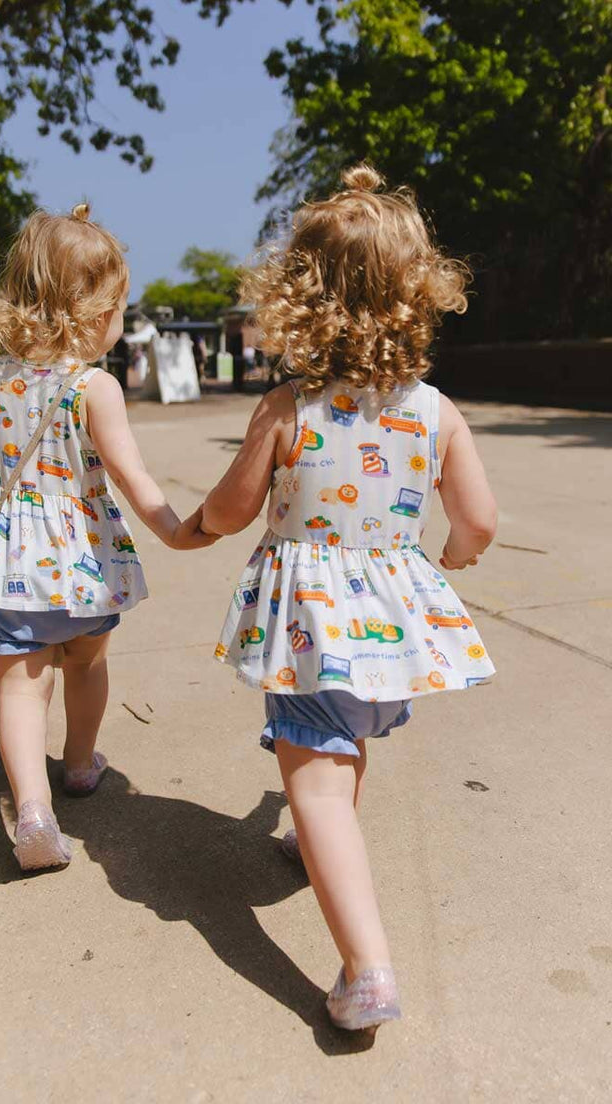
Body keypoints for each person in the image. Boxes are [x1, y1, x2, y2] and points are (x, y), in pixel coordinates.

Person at [200, 164, 496, 1032]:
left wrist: (198, 525)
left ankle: (367, 969)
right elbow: (478, 518)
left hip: (310, 629)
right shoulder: (435, 410)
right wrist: (453, 553)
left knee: (317, 784)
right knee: (342, 750)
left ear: (300, 299)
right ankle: (310, 843)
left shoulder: (288, 406)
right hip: (391, 628)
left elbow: (229, 507)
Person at [0, 202, 214, 872]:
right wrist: (175, 530)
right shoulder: (93, 386)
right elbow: (132, 477)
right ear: (95, 313)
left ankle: (32, 811)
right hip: (85, 566)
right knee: (87, 663)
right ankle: (77, 764)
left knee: (19, 684)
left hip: (12, 564)